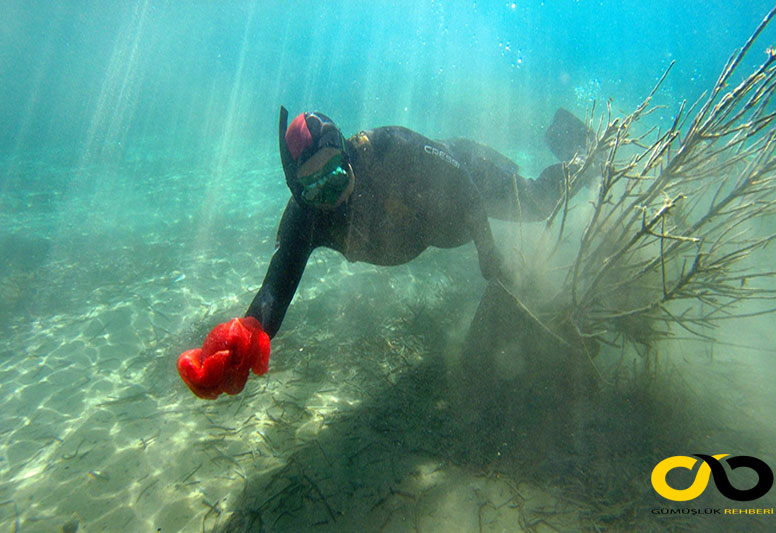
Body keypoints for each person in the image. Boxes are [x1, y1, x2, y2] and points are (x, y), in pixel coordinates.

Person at [177, 106, 592, 399]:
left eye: (336, 175)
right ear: (298, 190)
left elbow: (464, 186)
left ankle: (587, 151)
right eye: (316, 188)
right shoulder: (307, 216)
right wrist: (247, 333)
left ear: (347, 151)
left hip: (467, 177)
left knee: (540, 202)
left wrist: (489, 253)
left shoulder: (392, 149)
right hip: (441, 226)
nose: (332, 196)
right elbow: (276, 287)